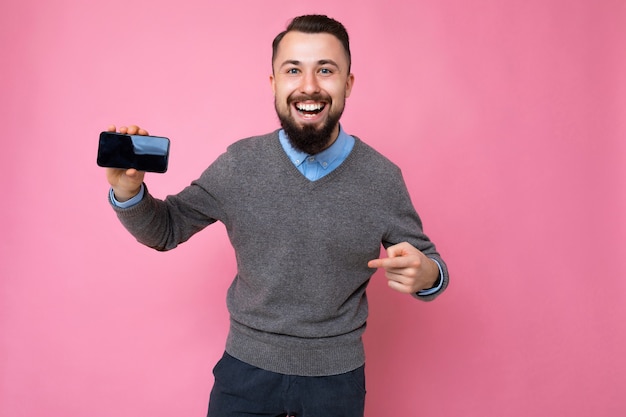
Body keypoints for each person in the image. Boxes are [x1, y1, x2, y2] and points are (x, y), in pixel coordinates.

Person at [104, 14, 449, 417]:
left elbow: (431, 267)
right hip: (244, 377)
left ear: (348, 84)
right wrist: (127, 192)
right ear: (273, 83)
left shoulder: (383, 178)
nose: (309, 86)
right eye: (293, 70)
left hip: (336, 383)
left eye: (326, 70)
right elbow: (166, 229)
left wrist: (428, 276)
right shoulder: (238, 164)